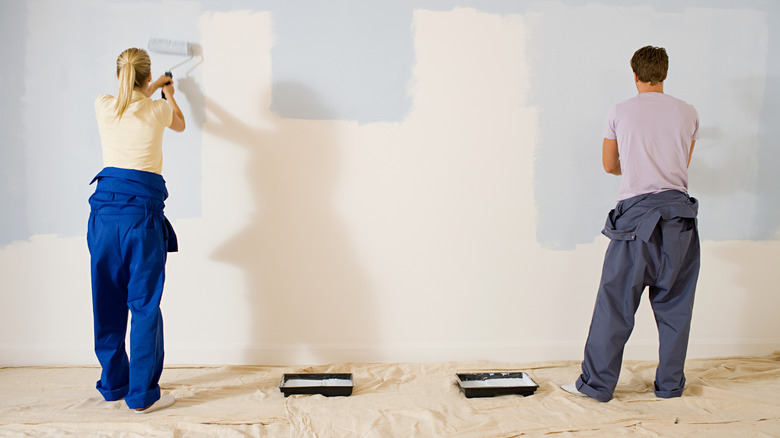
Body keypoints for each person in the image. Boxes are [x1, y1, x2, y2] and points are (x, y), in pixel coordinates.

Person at [562, 46, 700, 402]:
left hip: (637, 220)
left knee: (616, 303)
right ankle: (670, 387)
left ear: (635, 75)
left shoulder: (620, 111)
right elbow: (680, 164)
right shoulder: (688, 113)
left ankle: (596, 386)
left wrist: (636, 165)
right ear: (665, 75)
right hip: (680, 219)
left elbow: (610, 165)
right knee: (675, 305)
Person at [88, 47, 185, 413]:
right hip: (140, 221)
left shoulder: (102, 105)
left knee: (107, 302)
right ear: (148, 79)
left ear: (118, 76)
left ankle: (114, 386)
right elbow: (180, 123)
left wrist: (150, 85)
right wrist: (169, 91)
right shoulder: (158, 109)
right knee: (143, 306)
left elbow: (130, 97)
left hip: (102, 219)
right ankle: (142, 396)